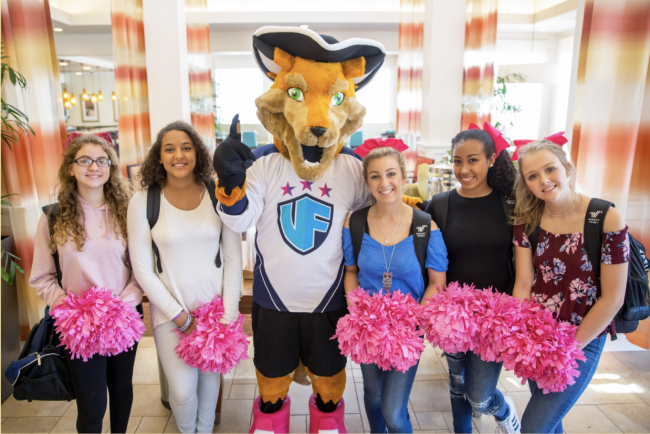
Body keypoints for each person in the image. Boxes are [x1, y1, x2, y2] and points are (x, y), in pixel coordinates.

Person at [127, 121, 242, 433]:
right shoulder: (143, 201)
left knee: (209, 383)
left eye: (186, 147)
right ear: (159, 157)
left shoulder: (217, 194)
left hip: (215, 313)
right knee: (181, 390)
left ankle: (204, 430)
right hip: (171, 314)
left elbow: (233, 258)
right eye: (169, 149)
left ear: (197, 154)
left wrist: (229, 314)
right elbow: (143, 268)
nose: (179, 155)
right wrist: (178, 315)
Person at [511, 139, 629, 434]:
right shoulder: (527, 221)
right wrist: (518, 333)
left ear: (567, 168)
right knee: (550, 423)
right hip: (537, 338)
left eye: (550, 169)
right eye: (533, 176)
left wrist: (566, 350)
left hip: (582, 338)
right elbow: (524, 284)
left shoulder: (605, 218)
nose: (544, 180)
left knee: (534, 426)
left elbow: (613, 298)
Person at [30, 132, 143, 433]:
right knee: (91, 406)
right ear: (70, 168)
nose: (94, 167)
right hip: (78, 327)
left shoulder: (129, 211)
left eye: (101, 160)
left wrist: (123, 303)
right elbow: (41, 277)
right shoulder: (52, 217)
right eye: (85, 160)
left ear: (110, 167)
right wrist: (70, 308)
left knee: (121, 390)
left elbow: (142, 270)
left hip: (122, 319)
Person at [342, 143, 448, 434]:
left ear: (403, 176)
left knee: (393, 411)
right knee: (373, 394)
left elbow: (437, 284)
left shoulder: (426, 227)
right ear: (367, 182)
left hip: (407, 330)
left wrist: (411, 320)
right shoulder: (355, 222)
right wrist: (357, 308)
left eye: (391, 174)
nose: (384, 183)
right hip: (367, 328)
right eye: (375, 176)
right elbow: (351, 273)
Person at [424, 125, 522, 433]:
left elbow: (522, 267)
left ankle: (504, 411)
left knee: (479, 395)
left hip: (495, 316)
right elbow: (425, 260)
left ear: (492, 159)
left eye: (473, 160)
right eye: (457, 161)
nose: (463, 169)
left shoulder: (511, 205)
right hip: (452, 315)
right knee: (457, 383)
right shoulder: (439, 204)